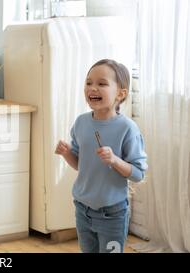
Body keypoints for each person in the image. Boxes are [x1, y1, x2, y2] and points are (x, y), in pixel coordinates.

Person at [55, 59, 148, 253]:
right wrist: (66, 154)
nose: (92, 88)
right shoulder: (81, 123)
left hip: (112, 214)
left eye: (102, 83)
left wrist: (114, 160)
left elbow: (138, 174)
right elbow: (82, 165)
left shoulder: (127, 129)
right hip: (82, 209)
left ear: (120, 94)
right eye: (89, 83)